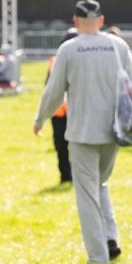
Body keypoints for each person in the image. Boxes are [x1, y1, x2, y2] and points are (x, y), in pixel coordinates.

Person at [33, 0, 132, 264]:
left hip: (82, 133)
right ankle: (111, 237)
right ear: (101, 21)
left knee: (87, 195)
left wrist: (40, 118)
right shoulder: (119, 46)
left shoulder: (69, 49)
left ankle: (98, 257)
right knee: (101, 185)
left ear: (76, 21)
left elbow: (54, 92)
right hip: (114, 131)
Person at [46, 27, 78, 185]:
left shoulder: (55, 59)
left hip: (58, 110)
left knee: (61, 146)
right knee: (78, 146)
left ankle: (65, 175)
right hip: (77, 111)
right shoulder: (82, 59)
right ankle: (75, 175)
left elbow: (49, 87)